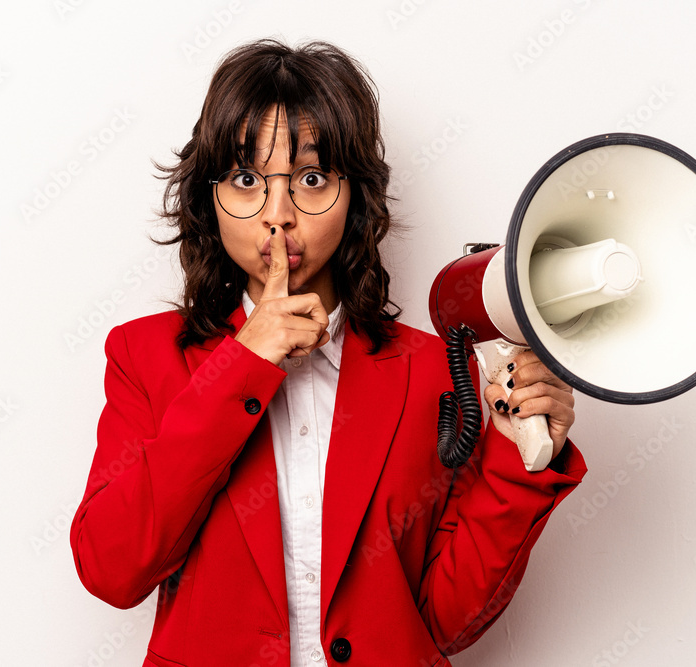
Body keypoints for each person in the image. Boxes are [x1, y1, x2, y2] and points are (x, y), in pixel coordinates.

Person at [70, 39, 586, 667]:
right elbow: (111, 569)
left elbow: (440, 625)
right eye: (245, 179)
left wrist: (515, 466)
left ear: (356, 197)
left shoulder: (431, 373)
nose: (278, 217)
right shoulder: (144, 355)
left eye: (312, 179)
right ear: (209, 196)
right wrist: (244, 363)